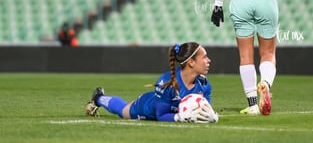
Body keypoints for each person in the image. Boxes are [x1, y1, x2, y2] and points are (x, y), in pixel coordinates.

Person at [85, 42, 218, 123]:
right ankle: (98, 97)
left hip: (163, 103)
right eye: (205, 57)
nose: (209, 60)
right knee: (122, 110)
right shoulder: (166, 82)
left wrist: (211, 116)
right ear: (191, 62)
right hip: (147, 108)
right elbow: (160, 116)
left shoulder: (205, 84)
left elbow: (206, 109)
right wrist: (179, 117)